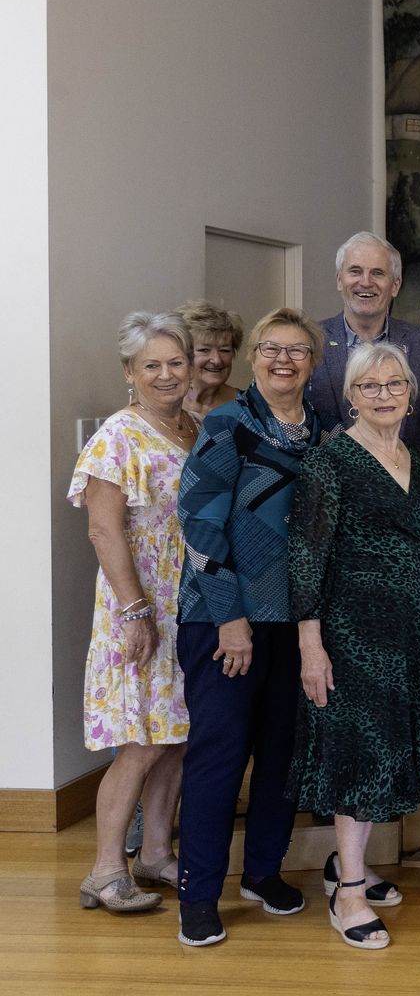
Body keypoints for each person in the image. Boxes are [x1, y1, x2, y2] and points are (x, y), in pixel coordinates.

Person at [175, 307, 324, 948]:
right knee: (219, 759)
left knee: (282, 757)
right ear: (253, 357)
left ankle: (262, 872)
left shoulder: (321, 431)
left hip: (291, 624)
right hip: (223, 622)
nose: (283, 360)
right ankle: (199, 896)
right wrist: (231, 617)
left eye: (297, 350)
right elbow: (200, 526)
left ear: (313, 363)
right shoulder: (226, 423)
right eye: (271, 348)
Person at [289, 342, 420, 950]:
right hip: (351, 633)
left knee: (388, 752)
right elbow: (305, 558)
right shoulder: (331, 461)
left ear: (411, 392)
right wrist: (311, 644)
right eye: (369, 386)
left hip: (407, 629)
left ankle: (348, 867)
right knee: (357, 756)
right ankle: (349, 891)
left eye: (394, 384)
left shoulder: (414, 455)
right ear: (350, 396)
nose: (384, 395)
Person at [69, 312, 196, 916]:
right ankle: (103, 871)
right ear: (129, 372)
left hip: (186, 608)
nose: (167, 374)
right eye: (153, 365)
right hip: (139, 608)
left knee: (176, 738)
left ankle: (154, 853)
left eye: (176, 362)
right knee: (140, 743)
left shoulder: (191, 429)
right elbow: (102, 528)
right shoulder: (117, 436)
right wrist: (137, 609)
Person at [310, 231, 420, 448]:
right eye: (355, 271)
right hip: (324, 478)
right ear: (339, 280)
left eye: (377, 273)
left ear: (396, 285)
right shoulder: (311, 341)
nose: (365, 282)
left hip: (401, 477)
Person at [175, 299, 244, 419]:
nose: (216, 360)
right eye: (204, 350)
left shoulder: (246, 407)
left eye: (224, 350)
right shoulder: (165, 403)